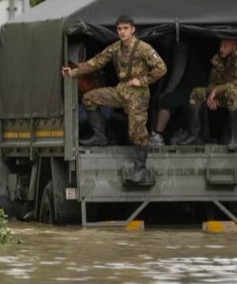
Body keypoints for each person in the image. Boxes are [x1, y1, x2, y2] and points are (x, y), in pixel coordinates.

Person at [61, 15, 167, 184]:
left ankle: (141, 169)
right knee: (89, 98)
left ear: (133, 29)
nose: (122, 32)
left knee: (136, 132)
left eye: (126, 28)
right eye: (119, 29)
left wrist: (142, 80)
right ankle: (100, 136)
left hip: (138, 94)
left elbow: (161, 68)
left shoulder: (143, 48)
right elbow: (95, 62)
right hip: (121, 91)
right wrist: (72, 73)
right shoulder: (115, 48)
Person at [180, 39, 237, 151]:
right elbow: (211, 82)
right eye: (220, 45)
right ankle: (196, 135)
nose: (221, 49)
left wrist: (217, 90)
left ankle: (234, 138)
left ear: (234, 45)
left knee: (233, 94)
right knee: (196, 93)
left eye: (225, 46)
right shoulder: (218, 58)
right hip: (225, 93)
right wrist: (212, 96)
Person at [149, 37, 208, 145]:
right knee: (157, 100)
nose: (161, 41)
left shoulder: (181, 47)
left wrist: (167, 91)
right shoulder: (169, 50)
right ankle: (153, 134)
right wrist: (159, 92)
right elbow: (164, 74)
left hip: (193, 86)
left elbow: (177, 72)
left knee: (165, 101)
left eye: (163, 38)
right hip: (182, 86)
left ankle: (158, 136)